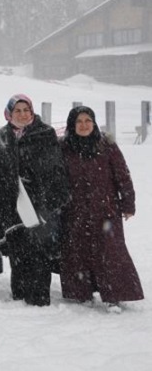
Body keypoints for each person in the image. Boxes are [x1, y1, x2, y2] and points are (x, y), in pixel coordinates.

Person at [0, 94, 69, 307]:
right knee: (18, 247)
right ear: (9, 113)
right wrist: (3, 194)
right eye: (18, 111)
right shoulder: (2, 136)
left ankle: (40, 296)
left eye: (26, 110)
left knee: (39, 249)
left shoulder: (45, 133)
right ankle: (19, 294)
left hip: (40, 201)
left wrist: (44, 195)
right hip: (12, 200)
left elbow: (55, 168)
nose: (23, 115)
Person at [59, 106, 143, 309]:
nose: (84, 125)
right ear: (72, 125)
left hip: (106, 211)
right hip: (75, 210)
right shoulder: (64, 147)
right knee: (78, 252)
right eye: (79, 122)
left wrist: (128, 203)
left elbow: (123, 176)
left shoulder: (107, 145)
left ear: (94, 123)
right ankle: (81, 292)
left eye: (88, 121)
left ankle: (113, 295)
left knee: (110, 254)